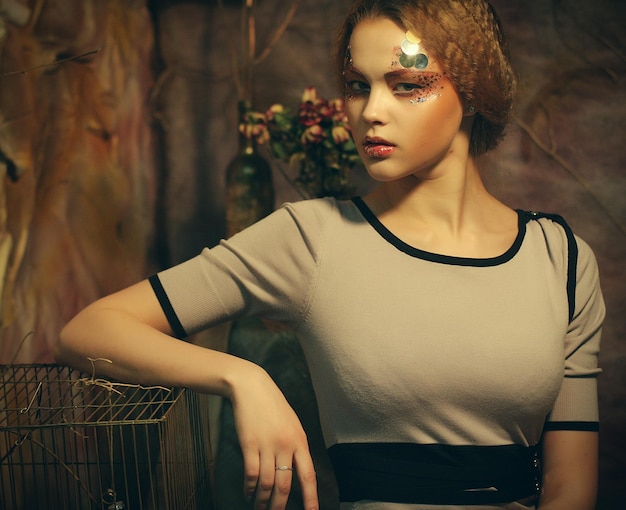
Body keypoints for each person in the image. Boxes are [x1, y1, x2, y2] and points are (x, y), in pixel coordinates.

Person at [55, 0, 605, 509]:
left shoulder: (562, 261)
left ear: (475, 89)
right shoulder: (312, 237)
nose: (370, 112)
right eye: (356, 85)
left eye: (406, 84)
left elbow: (570, 487)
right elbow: (90, 332)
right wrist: (241, 377)